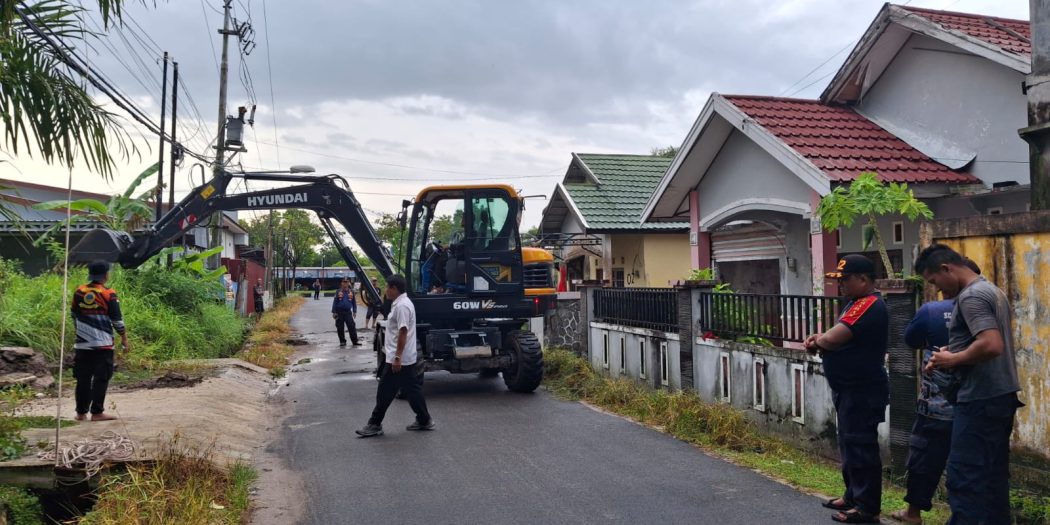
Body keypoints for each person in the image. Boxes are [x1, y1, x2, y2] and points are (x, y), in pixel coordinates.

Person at [916, 245, 1022, 525]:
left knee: (964, 478)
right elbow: (980, 339)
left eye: (934, 282)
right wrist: (949, 354)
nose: (937, 290)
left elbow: (991, 344)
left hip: (979, 400)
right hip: (999, 396)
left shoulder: (971, 297)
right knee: (992, 480)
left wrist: (953, 360)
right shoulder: (991, 290)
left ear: (946, 269)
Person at [891, 259, 982, 524]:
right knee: (971, 466)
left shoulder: (932, 311)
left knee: (923, 459)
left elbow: (911, 340)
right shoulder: (990, 307)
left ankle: (913, 513)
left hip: (936, 406)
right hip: (976, 405)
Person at [804, 254, 888, 524]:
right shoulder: (855, 303)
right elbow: (831, 335)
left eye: (845, 280)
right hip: (849, 388)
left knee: (861, 446)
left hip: (862, 388)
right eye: (839, 280)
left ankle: (866, 508)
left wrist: (820, 341)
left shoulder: (869, 304)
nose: (841, 285)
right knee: (849, 444)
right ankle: (852, 495)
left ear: (863, 279)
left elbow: (833, 337)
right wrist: (821, 340)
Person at [356, 275, 433, 437]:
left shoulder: (402, 306)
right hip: (404, 358)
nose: (386, 291)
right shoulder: (400, 304)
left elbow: (403, 331)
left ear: (394, 289)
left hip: (400, 359)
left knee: (385, 390)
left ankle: (374, 424)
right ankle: (424, 420)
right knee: (413, 390)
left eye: (388, 287)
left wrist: (397, 357)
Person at [71, 261, 129, 422]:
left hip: (82, 344)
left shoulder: (79, 292)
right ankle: (97, 412)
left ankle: (81, 413)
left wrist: (82, 331)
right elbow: (117, 320)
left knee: (83, 378)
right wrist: (124, 337)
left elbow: (74, 315)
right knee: (101, 377)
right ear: (106, 275)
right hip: (102, 344)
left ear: (90, 274)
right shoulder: (108, 293)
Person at [332, 279, 360, 347]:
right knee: (340, 327)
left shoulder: (351, 292)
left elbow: (354, 302)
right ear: (341, 283)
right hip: (339, 312)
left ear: (348, 283)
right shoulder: (338, 291)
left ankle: (355, 341)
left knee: (352, 326)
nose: (345, 284)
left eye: (346, 282)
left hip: (348, 312)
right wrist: (334, 312)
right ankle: (342, 341)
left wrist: (354, 311)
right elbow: (335, 302)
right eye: (344, 282)